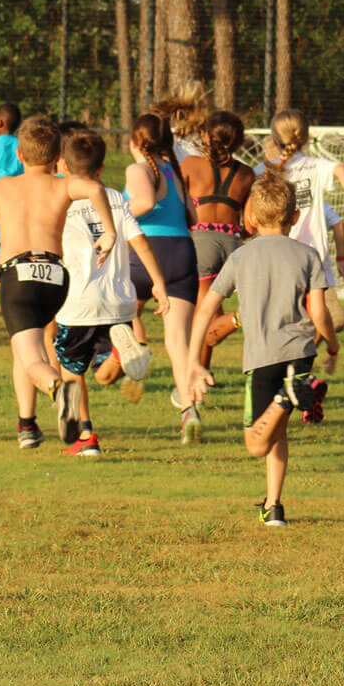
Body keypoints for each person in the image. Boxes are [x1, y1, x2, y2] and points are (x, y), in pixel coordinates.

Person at [0, 115, 120, 448]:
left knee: (30, 357)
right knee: (38, 345)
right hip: (56, 279)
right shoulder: (62, 185)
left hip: (19, 277)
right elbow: (94, 187)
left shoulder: (3, 188)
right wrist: (110, 229)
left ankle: (59, 390)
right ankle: (29, 425)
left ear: (19, 155)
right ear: (58, 153)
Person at [186, 172, 337, 527]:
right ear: (296, 217)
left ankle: (287, 397)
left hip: (263, 358)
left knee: (255, 444)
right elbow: (319, 311)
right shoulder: (308, 255)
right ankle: (274, 506)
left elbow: (206, 309)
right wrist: (332, 343)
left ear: (250, 218)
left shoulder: (241, 257)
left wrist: (194, 360)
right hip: (301, 354)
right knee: (276, 432)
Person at [53, 129, 169, 455]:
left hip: (78, 303)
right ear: (102, 169)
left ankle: (86, 436)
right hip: (119, 304)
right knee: (104, 376)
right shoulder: (116, 198)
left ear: (62, 163)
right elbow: (140, 242)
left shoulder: (59, 199)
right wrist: (158, 283)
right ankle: (119, 354)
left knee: (71, 372)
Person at [125, 112, 205, 442]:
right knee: (177, 342)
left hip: (147, 250)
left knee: (122, 314)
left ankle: (131, 356)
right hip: (182, 250)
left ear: (135, 141)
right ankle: (189, 412)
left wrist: (114, 219)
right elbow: (192, 215)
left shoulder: (137, 169)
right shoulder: (174, 170)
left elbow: (142, 202)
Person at [259, 109, 344, 336]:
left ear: (275, 137)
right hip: (297, 256)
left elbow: (246, 185)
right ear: (307, 137)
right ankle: (292, 361)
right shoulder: (290, 168)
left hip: (302, 258)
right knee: (299, 321)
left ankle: (298, 359)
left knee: (326, 320)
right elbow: (341, 170)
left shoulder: (266, 170)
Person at [180, 109, 255, 371]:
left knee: (202, 315)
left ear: (207, 137)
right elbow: (249, 223)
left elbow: (178, 205)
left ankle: (195, 377)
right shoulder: (246, 173)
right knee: (213, 313)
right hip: (233, 244)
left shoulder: (190, 165)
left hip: (201, 242)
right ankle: (206, 370)